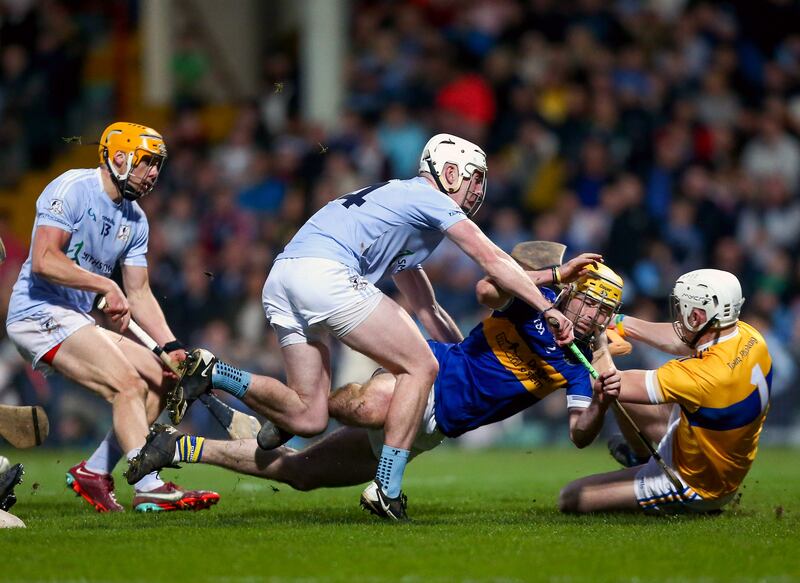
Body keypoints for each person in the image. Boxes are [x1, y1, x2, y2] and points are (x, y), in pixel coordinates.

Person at [163, 134, 579, 519]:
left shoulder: (401, 210)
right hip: (325, 273)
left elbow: (428, 308)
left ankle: (215, 373)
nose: (478, 190)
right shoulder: (428, 197)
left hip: (283, 277)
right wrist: (547, 304)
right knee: (420, 366)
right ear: (449, 172)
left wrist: (465, 356)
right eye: (475, 179)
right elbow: (492, 258)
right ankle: (387, 489)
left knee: (308, 417)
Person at [128, 259, 625, 519]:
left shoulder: (580, 366)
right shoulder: (537, 303)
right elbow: (485, 290)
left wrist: (602, 397)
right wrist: (547, 280)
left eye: (604, 312)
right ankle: (228, 379)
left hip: (429, 429)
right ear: (572, 295)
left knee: (301, 473)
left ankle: (180, 446)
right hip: (428, 372)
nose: (594, 318)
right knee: (362, 404)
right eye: (590, 304)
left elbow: (581, 435)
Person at [4, 122, 219, 513]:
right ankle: (149, 485)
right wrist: (104, 287)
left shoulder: (135, 220)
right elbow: (44, 260)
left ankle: (95, 471)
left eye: (158, 165)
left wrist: (171, 346)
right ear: (119, 157)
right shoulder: (72, 188)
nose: (154, 173)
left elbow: (138, 292)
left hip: (76, 316)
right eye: (147, 162)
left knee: (162, 379)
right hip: (37, 313)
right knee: (126, 384)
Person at [559, 269, 772, 515]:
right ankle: (638, 460)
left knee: (572, 497)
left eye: (683, 308)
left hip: (697, 483)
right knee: (639, 403)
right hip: (708, 448)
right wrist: (618, 322)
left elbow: (612, 385)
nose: (679, 315)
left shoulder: (698, 377)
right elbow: (680, 340)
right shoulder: (748, 336)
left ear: (699, 315)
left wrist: (596, 342)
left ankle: (692, 505)